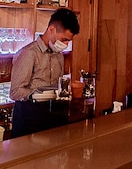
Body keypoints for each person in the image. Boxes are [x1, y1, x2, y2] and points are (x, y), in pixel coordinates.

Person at [9, 8, 80, 138]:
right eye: (64, 39)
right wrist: (37, 95)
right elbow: (15, 92)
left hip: (54, 117)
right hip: (30, 118)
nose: (65, 44)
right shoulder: (29, 54)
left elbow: (56, 86)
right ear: (51, 29)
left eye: (68, 41)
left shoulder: (59, 55)